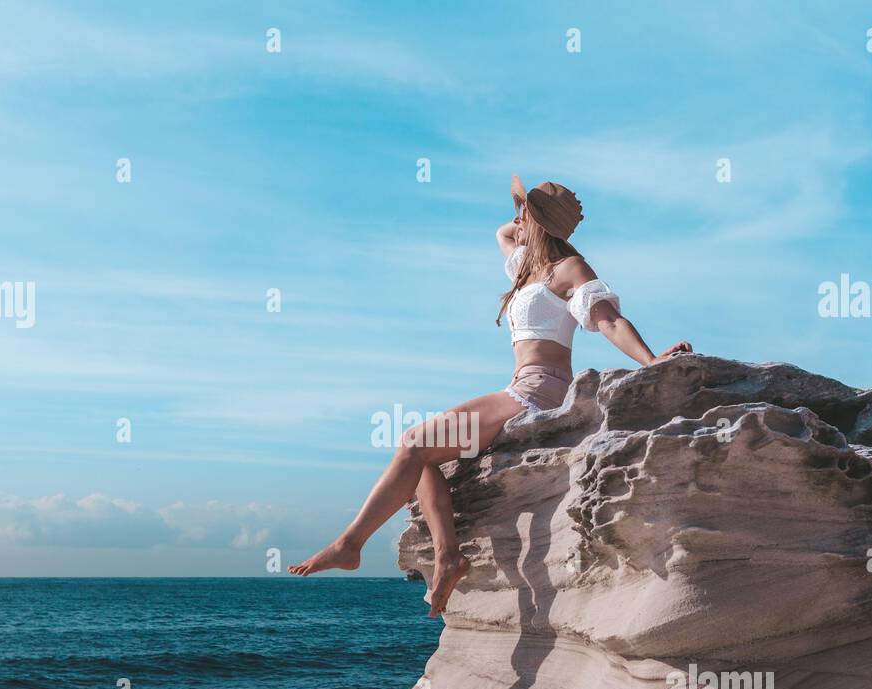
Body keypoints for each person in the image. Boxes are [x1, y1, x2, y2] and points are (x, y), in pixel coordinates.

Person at [289, 176, 693, 615]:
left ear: (539, 222)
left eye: (526, 212)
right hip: (516, 388)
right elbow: (502, 233)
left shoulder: (570, 269)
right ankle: (448, 556)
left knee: (412, 443)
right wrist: (528, 217)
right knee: (422, 454)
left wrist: (651, 362)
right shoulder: (526, 267)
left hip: (541, 392)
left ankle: (350, 545)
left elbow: (610, 320)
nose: (516, 219)